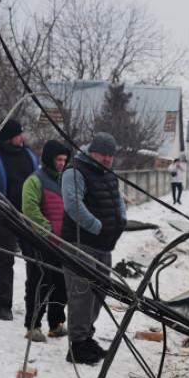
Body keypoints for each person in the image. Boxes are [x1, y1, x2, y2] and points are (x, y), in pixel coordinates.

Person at [60, 132, 126, 365]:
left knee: (99, 292)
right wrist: (95, 226)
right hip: (81, 242)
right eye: (103, 154)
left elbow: (117, 198)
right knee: (82, 294)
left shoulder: (106, 173)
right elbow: (72, 204)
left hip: (104, 245)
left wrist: (122, 219)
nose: (107, 159)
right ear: (91, 151)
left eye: (111, 155)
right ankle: (76, 345)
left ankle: (87, 337)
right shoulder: (75, 171)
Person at [0, 118, 38, 321]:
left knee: (36, 259)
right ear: (9, 137)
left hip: (28, 217)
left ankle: (35, 301)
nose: (23, 137)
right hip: (4, 218)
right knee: (5, 260)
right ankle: (4, 303)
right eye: (19, 134)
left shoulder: (28, 155)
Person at [21, 140, 71, 342]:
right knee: (40, 284)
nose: (61, 163)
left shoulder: (65, 181)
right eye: (59, 159)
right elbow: (29, 208)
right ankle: (33, 325)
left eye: (65, 160)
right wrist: (46, 228)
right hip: (42, 243)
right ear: (50, 159)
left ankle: (56, 324)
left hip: (62, 244)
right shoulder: (35, 181)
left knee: (61, 286)